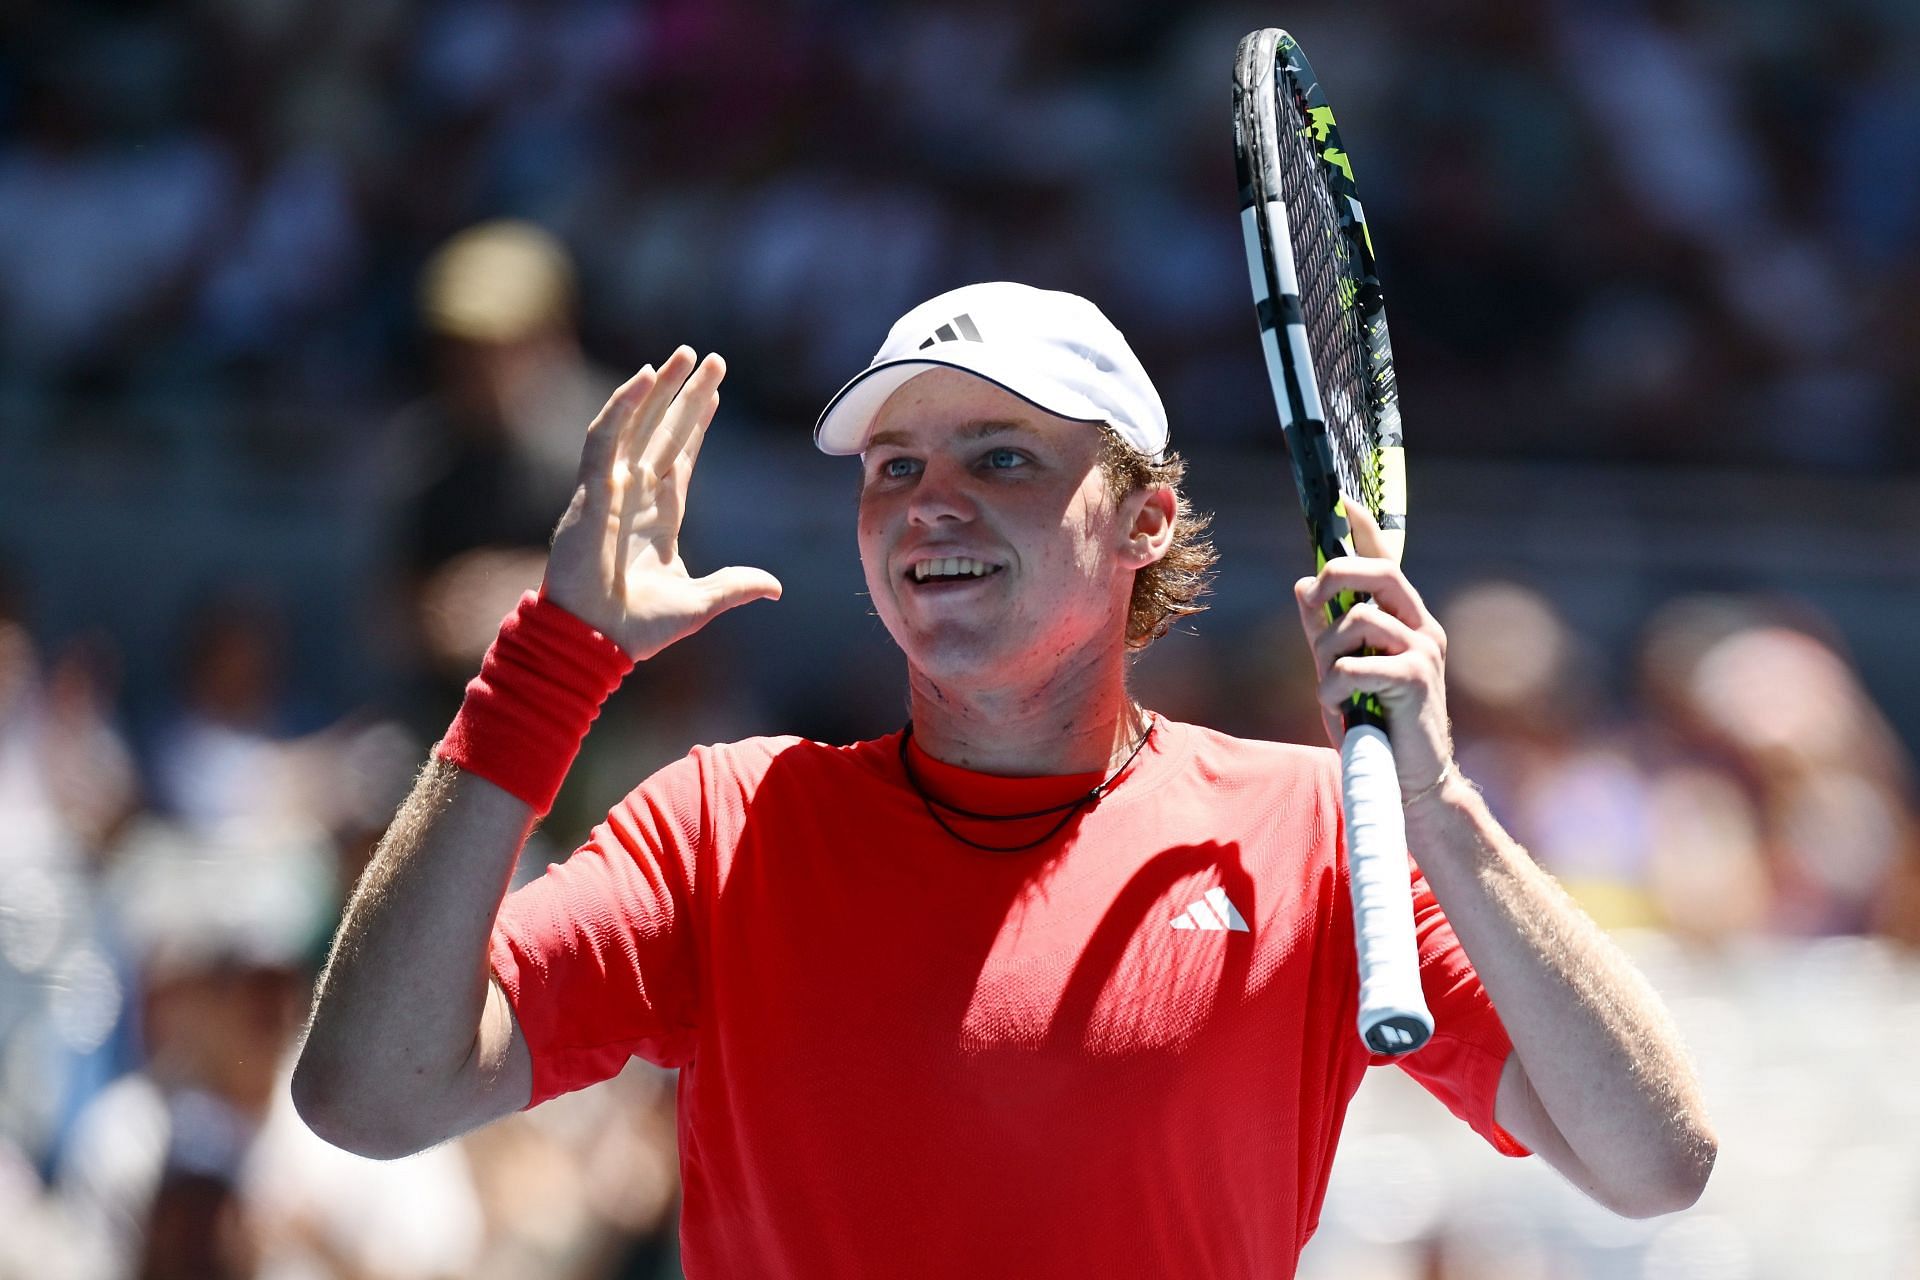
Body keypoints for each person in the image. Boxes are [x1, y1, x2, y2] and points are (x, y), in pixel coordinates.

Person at [294, 283, 1716, 1277]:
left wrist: (1441, 807)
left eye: (1001, 456)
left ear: (1146, 520)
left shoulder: (1315, 836)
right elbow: (370, 1095)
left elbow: (1654, 1162)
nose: (931, 502)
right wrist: (548, 668)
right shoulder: (725, 825)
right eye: (894, 467)